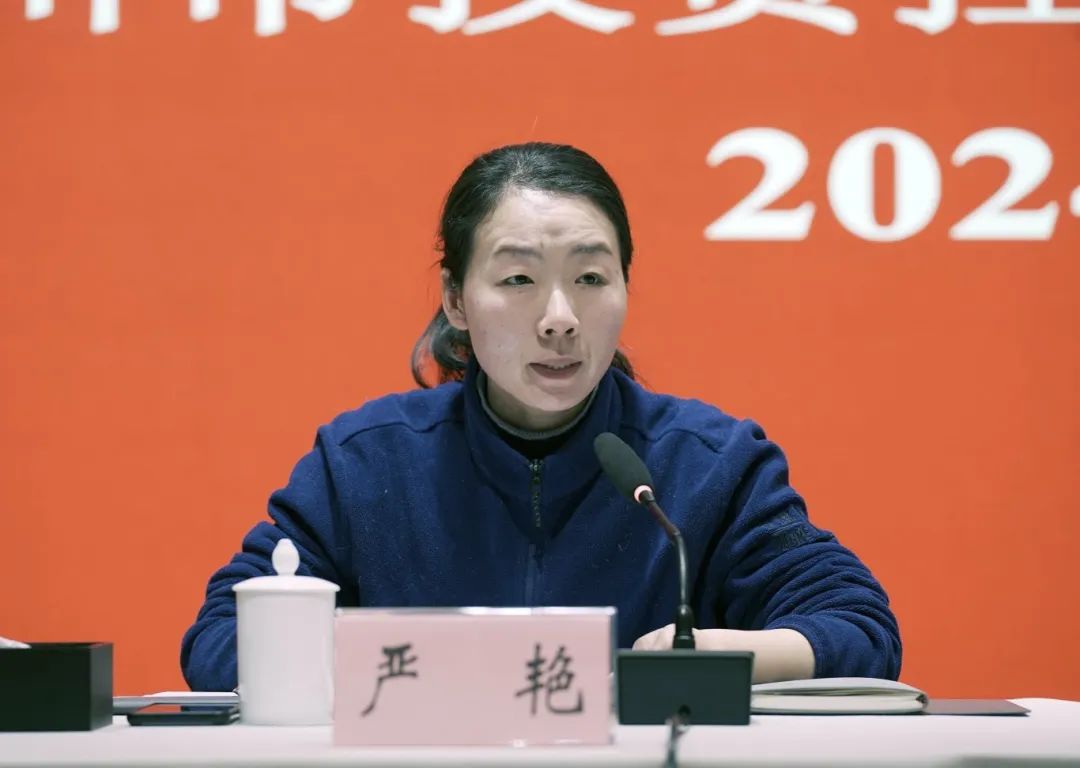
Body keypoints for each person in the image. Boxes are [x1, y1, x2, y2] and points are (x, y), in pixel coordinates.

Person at [181, 142, 901, 692]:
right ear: (456, 300)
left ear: (626, 286)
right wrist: (406, 669)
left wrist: (717, 653)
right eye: (519, 279)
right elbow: (220, 640)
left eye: (590, 278)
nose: (560, 318)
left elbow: (860, 628)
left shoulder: (709, 463)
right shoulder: (364, 463)